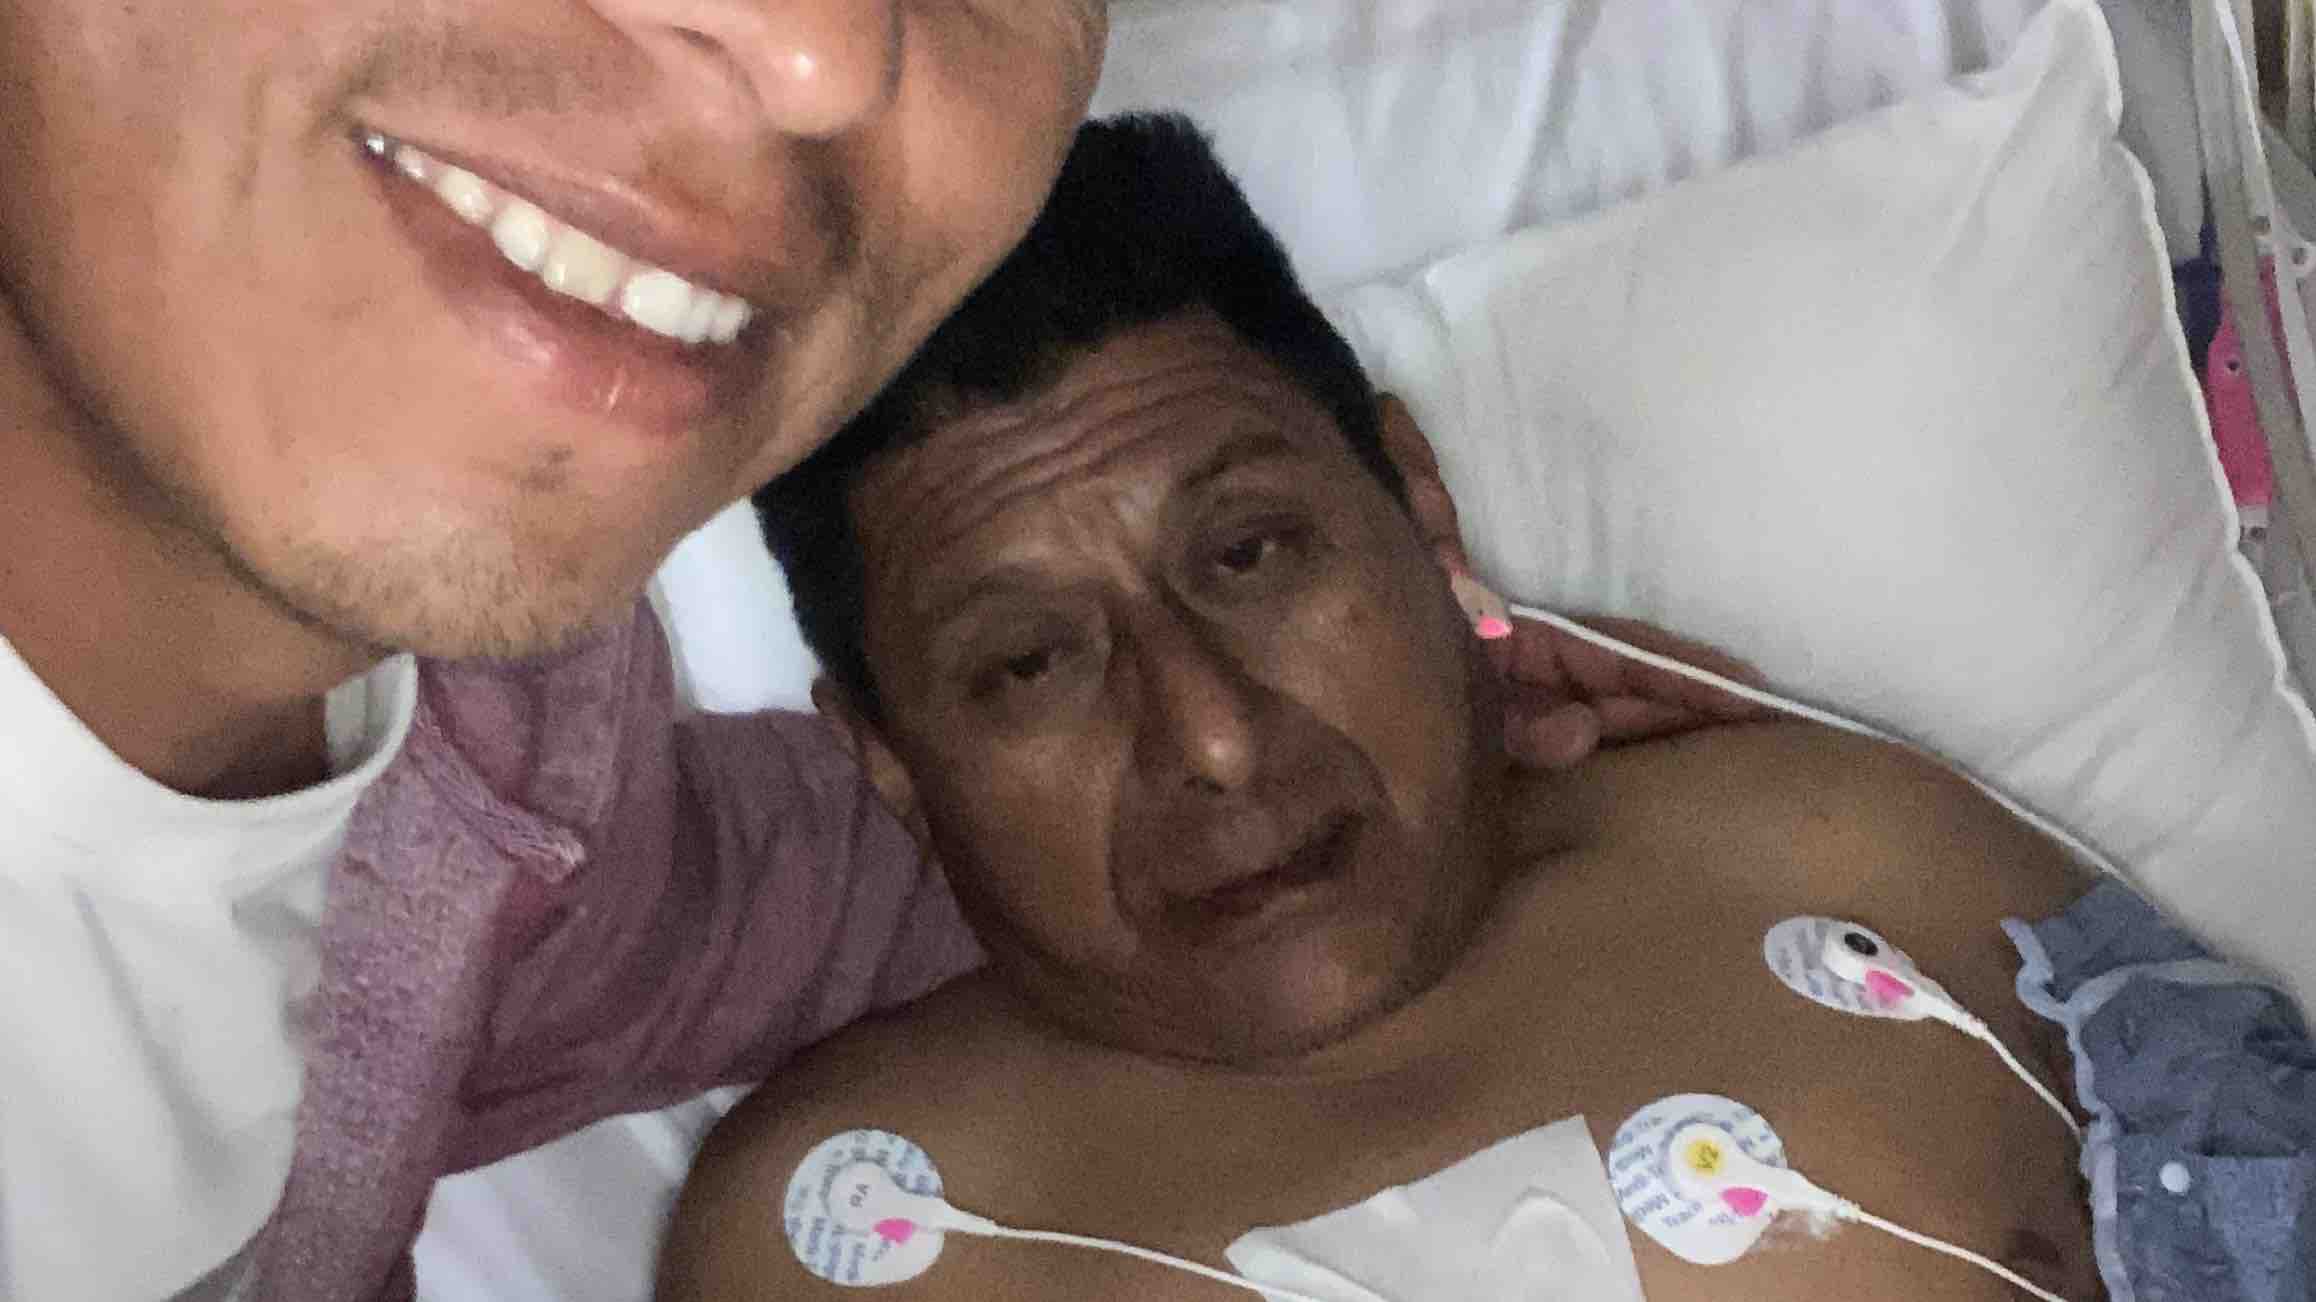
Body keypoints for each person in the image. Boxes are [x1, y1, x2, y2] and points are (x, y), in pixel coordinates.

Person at [0, 5, 1764, 1299]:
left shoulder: (502, 774)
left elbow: (831, 875)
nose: (821, 51)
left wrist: (1414, 718)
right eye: (1029, 663)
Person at [657, 113, 2139, 1301]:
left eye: (1250, 554)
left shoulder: (1844, 868)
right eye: (1032, 664)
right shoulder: (851, 1232)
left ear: (1417, 505)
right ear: (890, 763)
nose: (1212, 734)